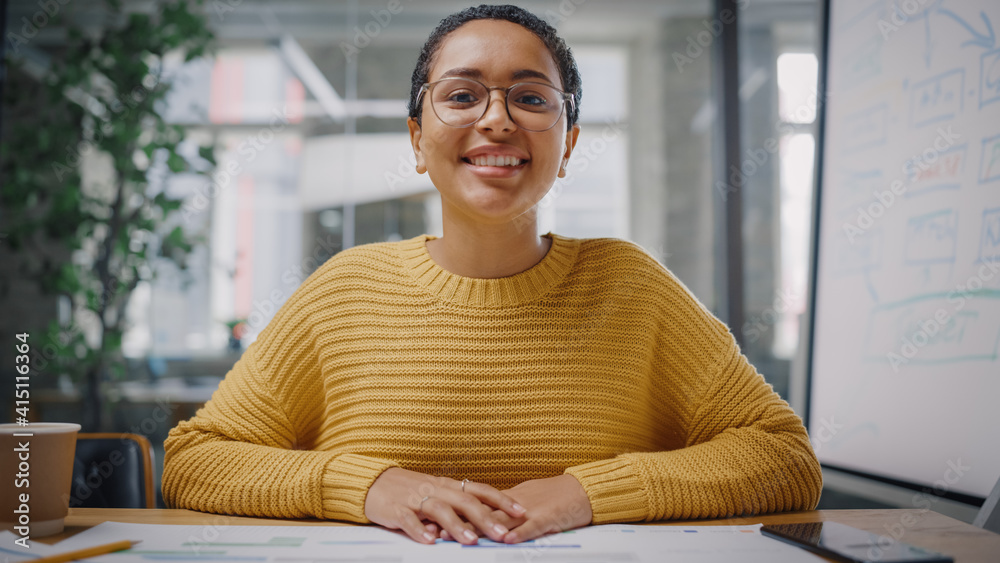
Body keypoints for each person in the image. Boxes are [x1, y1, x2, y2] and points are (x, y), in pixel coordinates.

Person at [162, 4, 822, 546]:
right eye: (462, 95)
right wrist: (366, 486)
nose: (498, 119)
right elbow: (195, 460)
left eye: (531, 97)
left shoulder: (632, 285)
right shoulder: (342, 291)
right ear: (418, 138)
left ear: (567, 143)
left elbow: (785, 459)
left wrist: (589, 492)